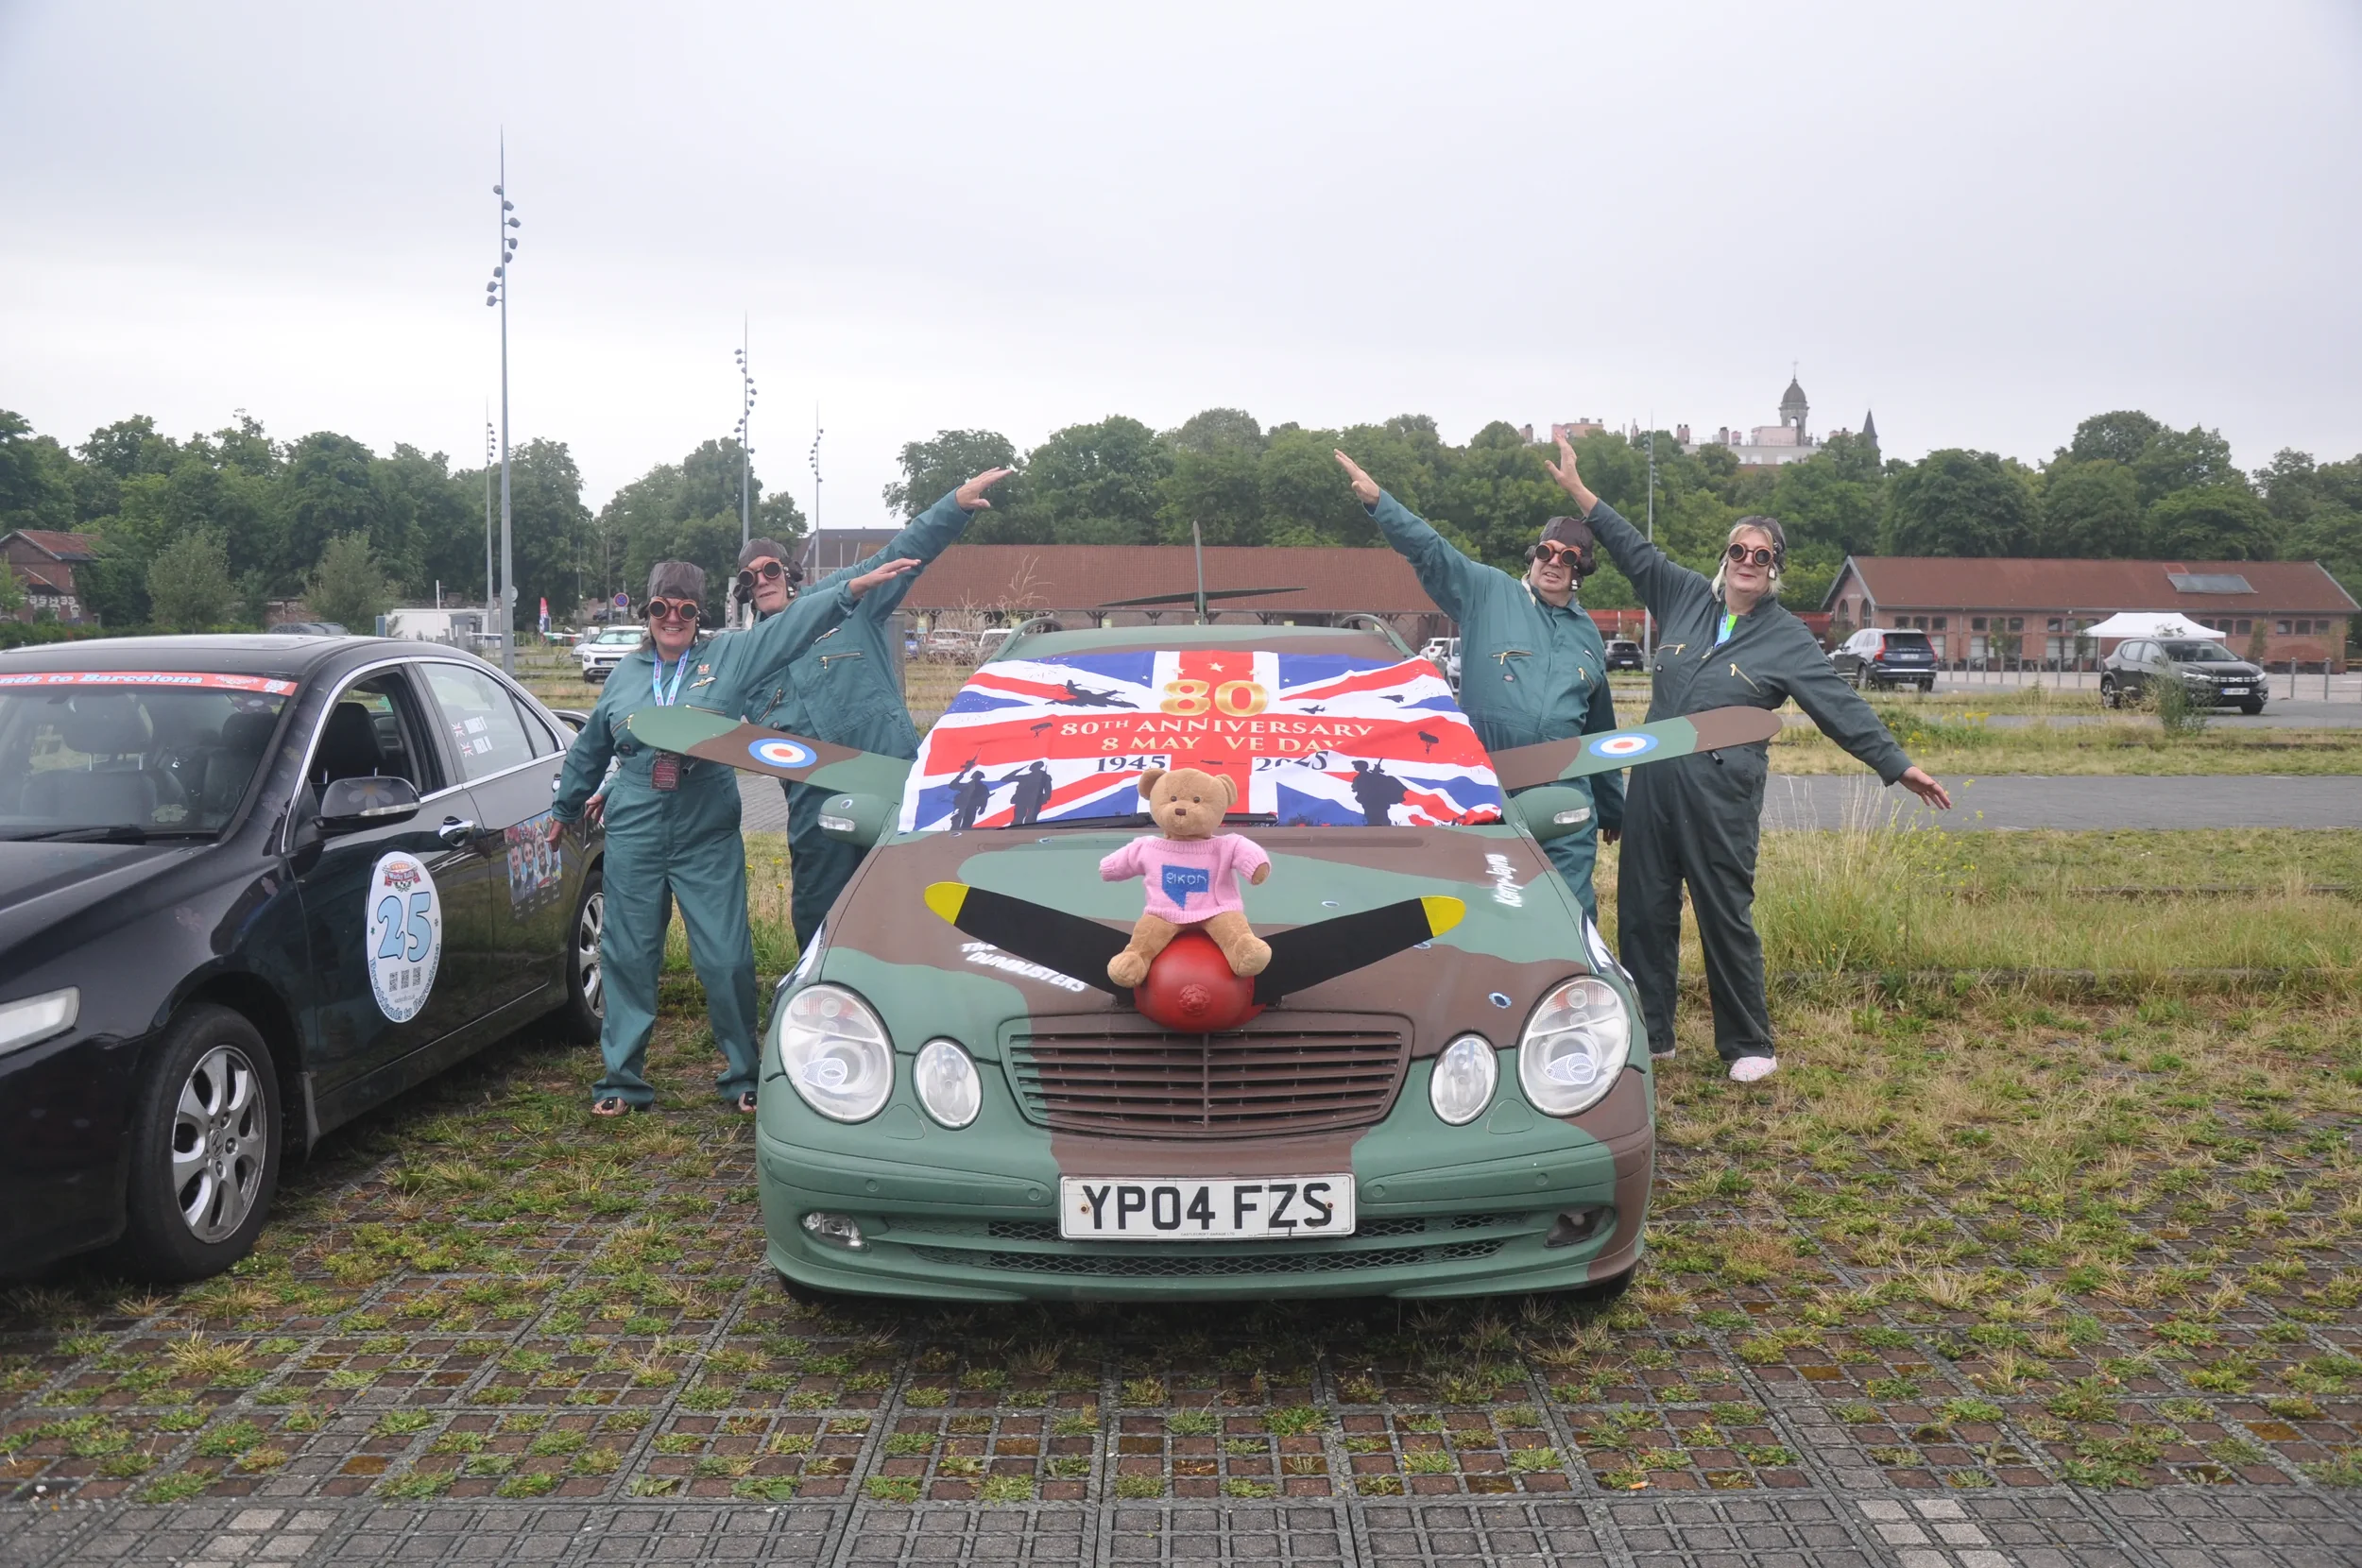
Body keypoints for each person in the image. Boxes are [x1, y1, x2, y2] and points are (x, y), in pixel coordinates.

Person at [1542, 435, 1952, 1082]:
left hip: (1721, 799)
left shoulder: (1786, 636)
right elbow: (1631, 546)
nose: (1748, 562)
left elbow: (1836, 706)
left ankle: (1747, 1043)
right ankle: (1653, 1032)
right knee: (1644, 914)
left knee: (1723, 915)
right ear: (1725, 556)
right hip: (1653, 788)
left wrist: (1895, 763)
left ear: (1775, 567)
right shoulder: (1682, 596)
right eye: (1739, 550)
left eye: (1762, 556)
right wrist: (1579, 494)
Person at [551, 554, 918, 1117]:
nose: (671, 618)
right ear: (646, 611)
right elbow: (590, 747)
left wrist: (849, 592)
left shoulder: (729, 657)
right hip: (637, 823)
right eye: (659, 607)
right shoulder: (625, 675)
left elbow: (794, 627)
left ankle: (744, 1074)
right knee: (628, 953)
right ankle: (621, 1081)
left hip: (706, 825)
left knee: (725, 958)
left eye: (685, 609)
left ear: (700, 614)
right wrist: (566, 805)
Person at [1333, 450, 1624, 919]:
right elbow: (1432, 550)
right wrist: (1379, 502)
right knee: (1493, 903)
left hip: (1567, 794)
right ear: (1534, 557)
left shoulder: (1587, 634)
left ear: (1580, 572)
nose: (1554, 563)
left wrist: (1612, 808)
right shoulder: (1487, 592)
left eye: (1568, 558)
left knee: (1570, 911)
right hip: (1492, 784)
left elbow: (1599, 729)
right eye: (1547, 552)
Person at [736, 469, 1012, 946]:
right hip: (812, 805)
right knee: (820, 919)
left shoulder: (846, 598)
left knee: (915, 896)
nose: (762, 580)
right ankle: (823, 1000)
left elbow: (900, 554)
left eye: (771, 569)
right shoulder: (746, 656)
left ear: (790, 574)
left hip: (889, 783)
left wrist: (954, 505)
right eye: (750, 576)